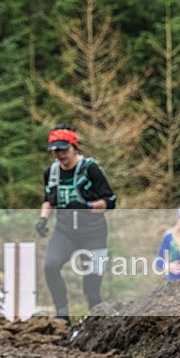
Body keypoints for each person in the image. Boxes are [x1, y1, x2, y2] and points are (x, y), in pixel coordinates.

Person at [35, 125, 117, 325]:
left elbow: (110, 202)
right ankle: (62, 315)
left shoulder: (90, 169)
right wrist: (43, 218)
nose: (60, 155)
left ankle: (95, 322)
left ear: (74, 147)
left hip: (94, 233)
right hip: (65, 232)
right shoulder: (52, 172)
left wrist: (86, 206)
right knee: (50, 265)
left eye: (64, 149)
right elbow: (49, 199)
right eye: (56, 151)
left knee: (91, 286)